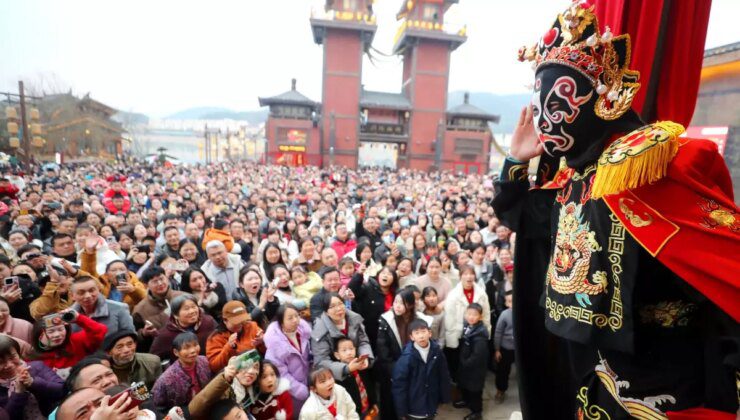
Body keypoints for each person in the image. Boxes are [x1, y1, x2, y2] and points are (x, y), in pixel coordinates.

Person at [499, 2, 740, 417]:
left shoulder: (654, 165)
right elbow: (522, 218)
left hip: (667, 381)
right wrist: (516, 161)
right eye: (541, 111)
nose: (547, 124)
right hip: (591, 377)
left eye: (558, 109)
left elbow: (719, 267)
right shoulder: (569, 182)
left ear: (604, 103)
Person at [376, 289, 432, 420]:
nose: (397, 306)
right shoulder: (386, 321)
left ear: (411, 305)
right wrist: (397, 372)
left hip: (415, 370)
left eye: (402, 303)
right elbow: (383, 351)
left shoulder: (421, 321)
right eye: (395, 302)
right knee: (392, 405)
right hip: (392, 371)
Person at [391, 319, 451, 420]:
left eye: (423, 331)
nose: (421, 336)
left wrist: (445, 398)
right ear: (412, 337)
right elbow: (399, 385)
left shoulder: (437, 352)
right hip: (413, 407)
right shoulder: (407, 358)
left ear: (430, 333)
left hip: (431, 404)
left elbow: (444, 375)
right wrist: (401, 411)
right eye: (417, 333)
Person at [311, 293, 373, 381]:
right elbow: (321, 361)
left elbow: (363, 341)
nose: (338, 309)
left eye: (340, 304)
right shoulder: (320, 329)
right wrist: (346, 368)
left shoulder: (354, 318)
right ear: (326, 312)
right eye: (332, 306)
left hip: (359, 367)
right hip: (338, 377)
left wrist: (365, 357)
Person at [444, 265, 490, 380]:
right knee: (460, 363)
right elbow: (450, 319)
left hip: (477, 334)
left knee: (475, 362)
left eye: (471, 274)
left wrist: (487, 332)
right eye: (465, 274)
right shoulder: (453, 295)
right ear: (460, 277)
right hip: (460, 335)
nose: (468, 277)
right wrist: (452, 341)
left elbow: (486, 314)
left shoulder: (481, 293)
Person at [0, 334, 64, 418]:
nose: (9, 365)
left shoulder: (37, 367)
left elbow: (62, 389)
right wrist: (18, 392)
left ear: (19, 353)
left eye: (12, 357)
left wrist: (33, 382)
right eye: (0, 362)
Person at [264, 304, 312, 412]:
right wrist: (302, 391)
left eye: (297, 315)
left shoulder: (303, 333)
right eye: (290, 318)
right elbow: (282, 374)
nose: (295, 320)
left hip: (309, 384)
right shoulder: (275, 345)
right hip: (293, 392)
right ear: (281, 322)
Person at [188, 349, 261, 419]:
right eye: (247, 366)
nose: (251, 371)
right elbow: (193, 409)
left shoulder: (252, 391)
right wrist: (224, 378)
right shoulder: (224, 388)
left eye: (256, 367)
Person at [151, 332, 213, 411]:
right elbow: (157, 405)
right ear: (176, 352)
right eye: (186, 348)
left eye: (195, 345)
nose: (193, 351)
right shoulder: (166, 379)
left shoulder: (205, 361)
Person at [149, 294, 217, 362]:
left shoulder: (208, 322)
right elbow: (153, 358)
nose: (192, 311)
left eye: (193, 307)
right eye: (186, 309)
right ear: (175, 315)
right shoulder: (165, 335)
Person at [32, 309, 107, 369]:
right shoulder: (33, 359)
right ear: (39, 336)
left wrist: (79, 318)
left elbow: (100, 330)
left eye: (60, 329)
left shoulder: (75, 341)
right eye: (51, 331)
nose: (57, 335)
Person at [206, 300, 264, 373]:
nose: (240, 324)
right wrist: (228, 347)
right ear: (225, 320)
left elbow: (267, 351)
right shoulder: (215, 338)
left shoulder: (251, 326)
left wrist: (262, 342)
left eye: (243, 320)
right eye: (236, 322)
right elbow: (214, 367)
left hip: (255, 370)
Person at [348, 264, 397, 350]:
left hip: (387, 333)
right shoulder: (369, 288)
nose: (385, 275)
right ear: (378, 276)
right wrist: (359, 274)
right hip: (369, 331)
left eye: (389, 274)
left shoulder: (396, 294)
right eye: (383, 273)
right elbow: (353, 289)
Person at [68, 276, 135, 339]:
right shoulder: (68, 316)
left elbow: (130, 337)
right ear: (72, 296)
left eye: (92, 290)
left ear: (99, 290)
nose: (88, 296)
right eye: (81, 293)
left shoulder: (119, 309)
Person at [454, 303, 489, 420]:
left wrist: (466, 363)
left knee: (475, 391)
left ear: (480, 317)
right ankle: (466, 401)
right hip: (466, 366)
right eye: (469, 314)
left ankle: (476, 412)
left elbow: (478, 356)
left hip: (475, 369)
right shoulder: (468, 326)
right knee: (465, 386)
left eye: (475, 315)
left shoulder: (480, 335)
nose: (471, 317)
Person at [132, 266, 182, 344]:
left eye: (162, 279)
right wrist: (143, 333)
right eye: (155, 281)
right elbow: (134, 336)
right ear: (146, 285)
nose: (160, 283)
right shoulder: (140, 309)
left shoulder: (183, 297)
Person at [331, 336, 376, 419]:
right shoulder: (338, 376)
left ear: (355, 350)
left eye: (351, 349)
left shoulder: (361, 366)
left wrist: (373, 402)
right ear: (337, 355)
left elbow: (369, 386)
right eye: (344, 350)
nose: (349, 353)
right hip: (353, 413)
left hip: (367, 408)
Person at [493, 292, 514, 403]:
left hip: (519, 350)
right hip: (506, 348)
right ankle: (501, 389)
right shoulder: (505, 314)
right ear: (506, 303)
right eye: (509, 301)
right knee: (503, 371)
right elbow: (498, 332)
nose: (512, 303)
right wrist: (497, 349)